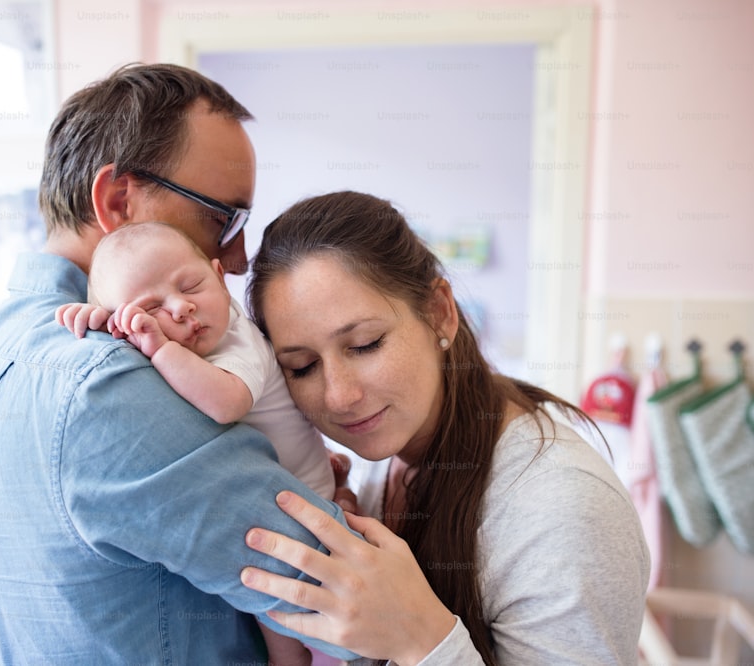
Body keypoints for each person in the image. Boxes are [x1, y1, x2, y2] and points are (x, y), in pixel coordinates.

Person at [0, 63, 357, 665]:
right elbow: (345, 596)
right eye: (224, 219)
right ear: (117, 201)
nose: (238, 260)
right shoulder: (109, 385)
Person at [238, 191, 651, 665]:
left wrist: (422, 640)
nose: (338, 397)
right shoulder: (386, 455)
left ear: (440, 312)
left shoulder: (563, 509)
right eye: (303, 366)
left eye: (366, 344)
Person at [56, 221, 336, 499]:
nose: (181, 307)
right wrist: (102, 326)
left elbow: (227, 405)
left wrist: (162, 349)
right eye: (151, 308)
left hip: (309, 495)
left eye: (191, 287)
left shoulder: (239, 339)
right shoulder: (158, 338)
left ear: (220, 279)